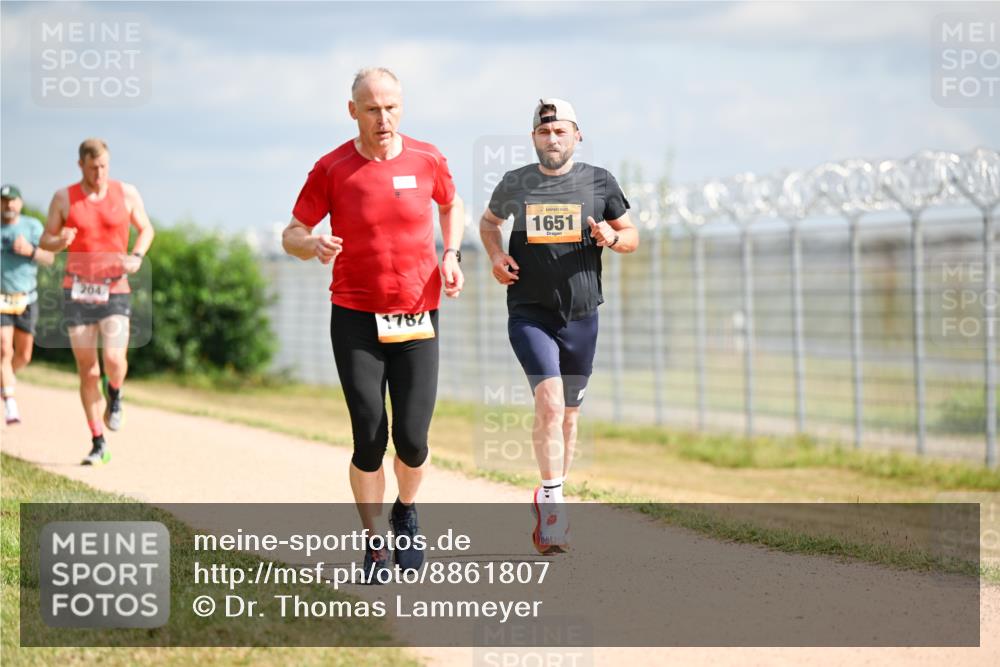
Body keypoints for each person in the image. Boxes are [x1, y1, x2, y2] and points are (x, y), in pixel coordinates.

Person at [283, 68, 465, 582]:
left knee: (412, 439)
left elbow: (451, 204)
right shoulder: (332, 168)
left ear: (401, 108)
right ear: (353, 111)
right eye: (371, 109)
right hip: (356, 317)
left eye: (391, 107)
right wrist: (310, 245)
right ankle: (374, 545)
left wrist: (450, 253)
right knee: (369, 436)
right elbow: (291, 232)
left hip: (416, 314)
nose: (382, 118)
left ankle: (406, 510)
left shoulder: (427, 158)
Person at [479, 99, 638, 554]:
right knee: (549, 404)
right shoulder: (516, 183)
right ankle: (552, 510)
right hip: (530, 313)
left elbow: (631, 236)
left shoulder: (600, 181)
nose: (553, 139)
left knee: (569, 416)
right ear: (534, 138)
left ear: (577, 135)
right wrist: (495, 257)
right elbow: (489, 224)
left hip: (583, 317)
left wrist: (612, 237)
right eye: (545, 133)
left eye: (561, 132)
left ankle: (553, 491)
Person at [40, 138, 155, 465]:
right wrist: (58, 239)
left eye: (104, 166)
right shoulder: (64, 198)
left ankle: (115, 395)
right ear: (81, 166)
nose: (100, 173)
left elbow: (146, 229)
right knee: (88, 371)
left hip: (114, 288)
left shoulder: (126, 193)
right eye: (93, 168)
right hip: (77, 290)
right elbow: (46, 241)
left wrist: (136, 255)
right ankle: (97, 440)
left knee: (115, 359)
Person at [1, 184, 56, 424]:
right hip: (0, 298)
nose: (9, 205)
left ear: (20, 203)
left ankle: (5, 381)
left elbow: (50, 258)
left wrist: (30, 250)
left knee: (23, 355)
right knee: (4, 349)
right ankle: (11, 405)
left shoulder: (32, 226)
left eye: (13, 200)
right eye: (4, 201)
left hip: (26, 298)